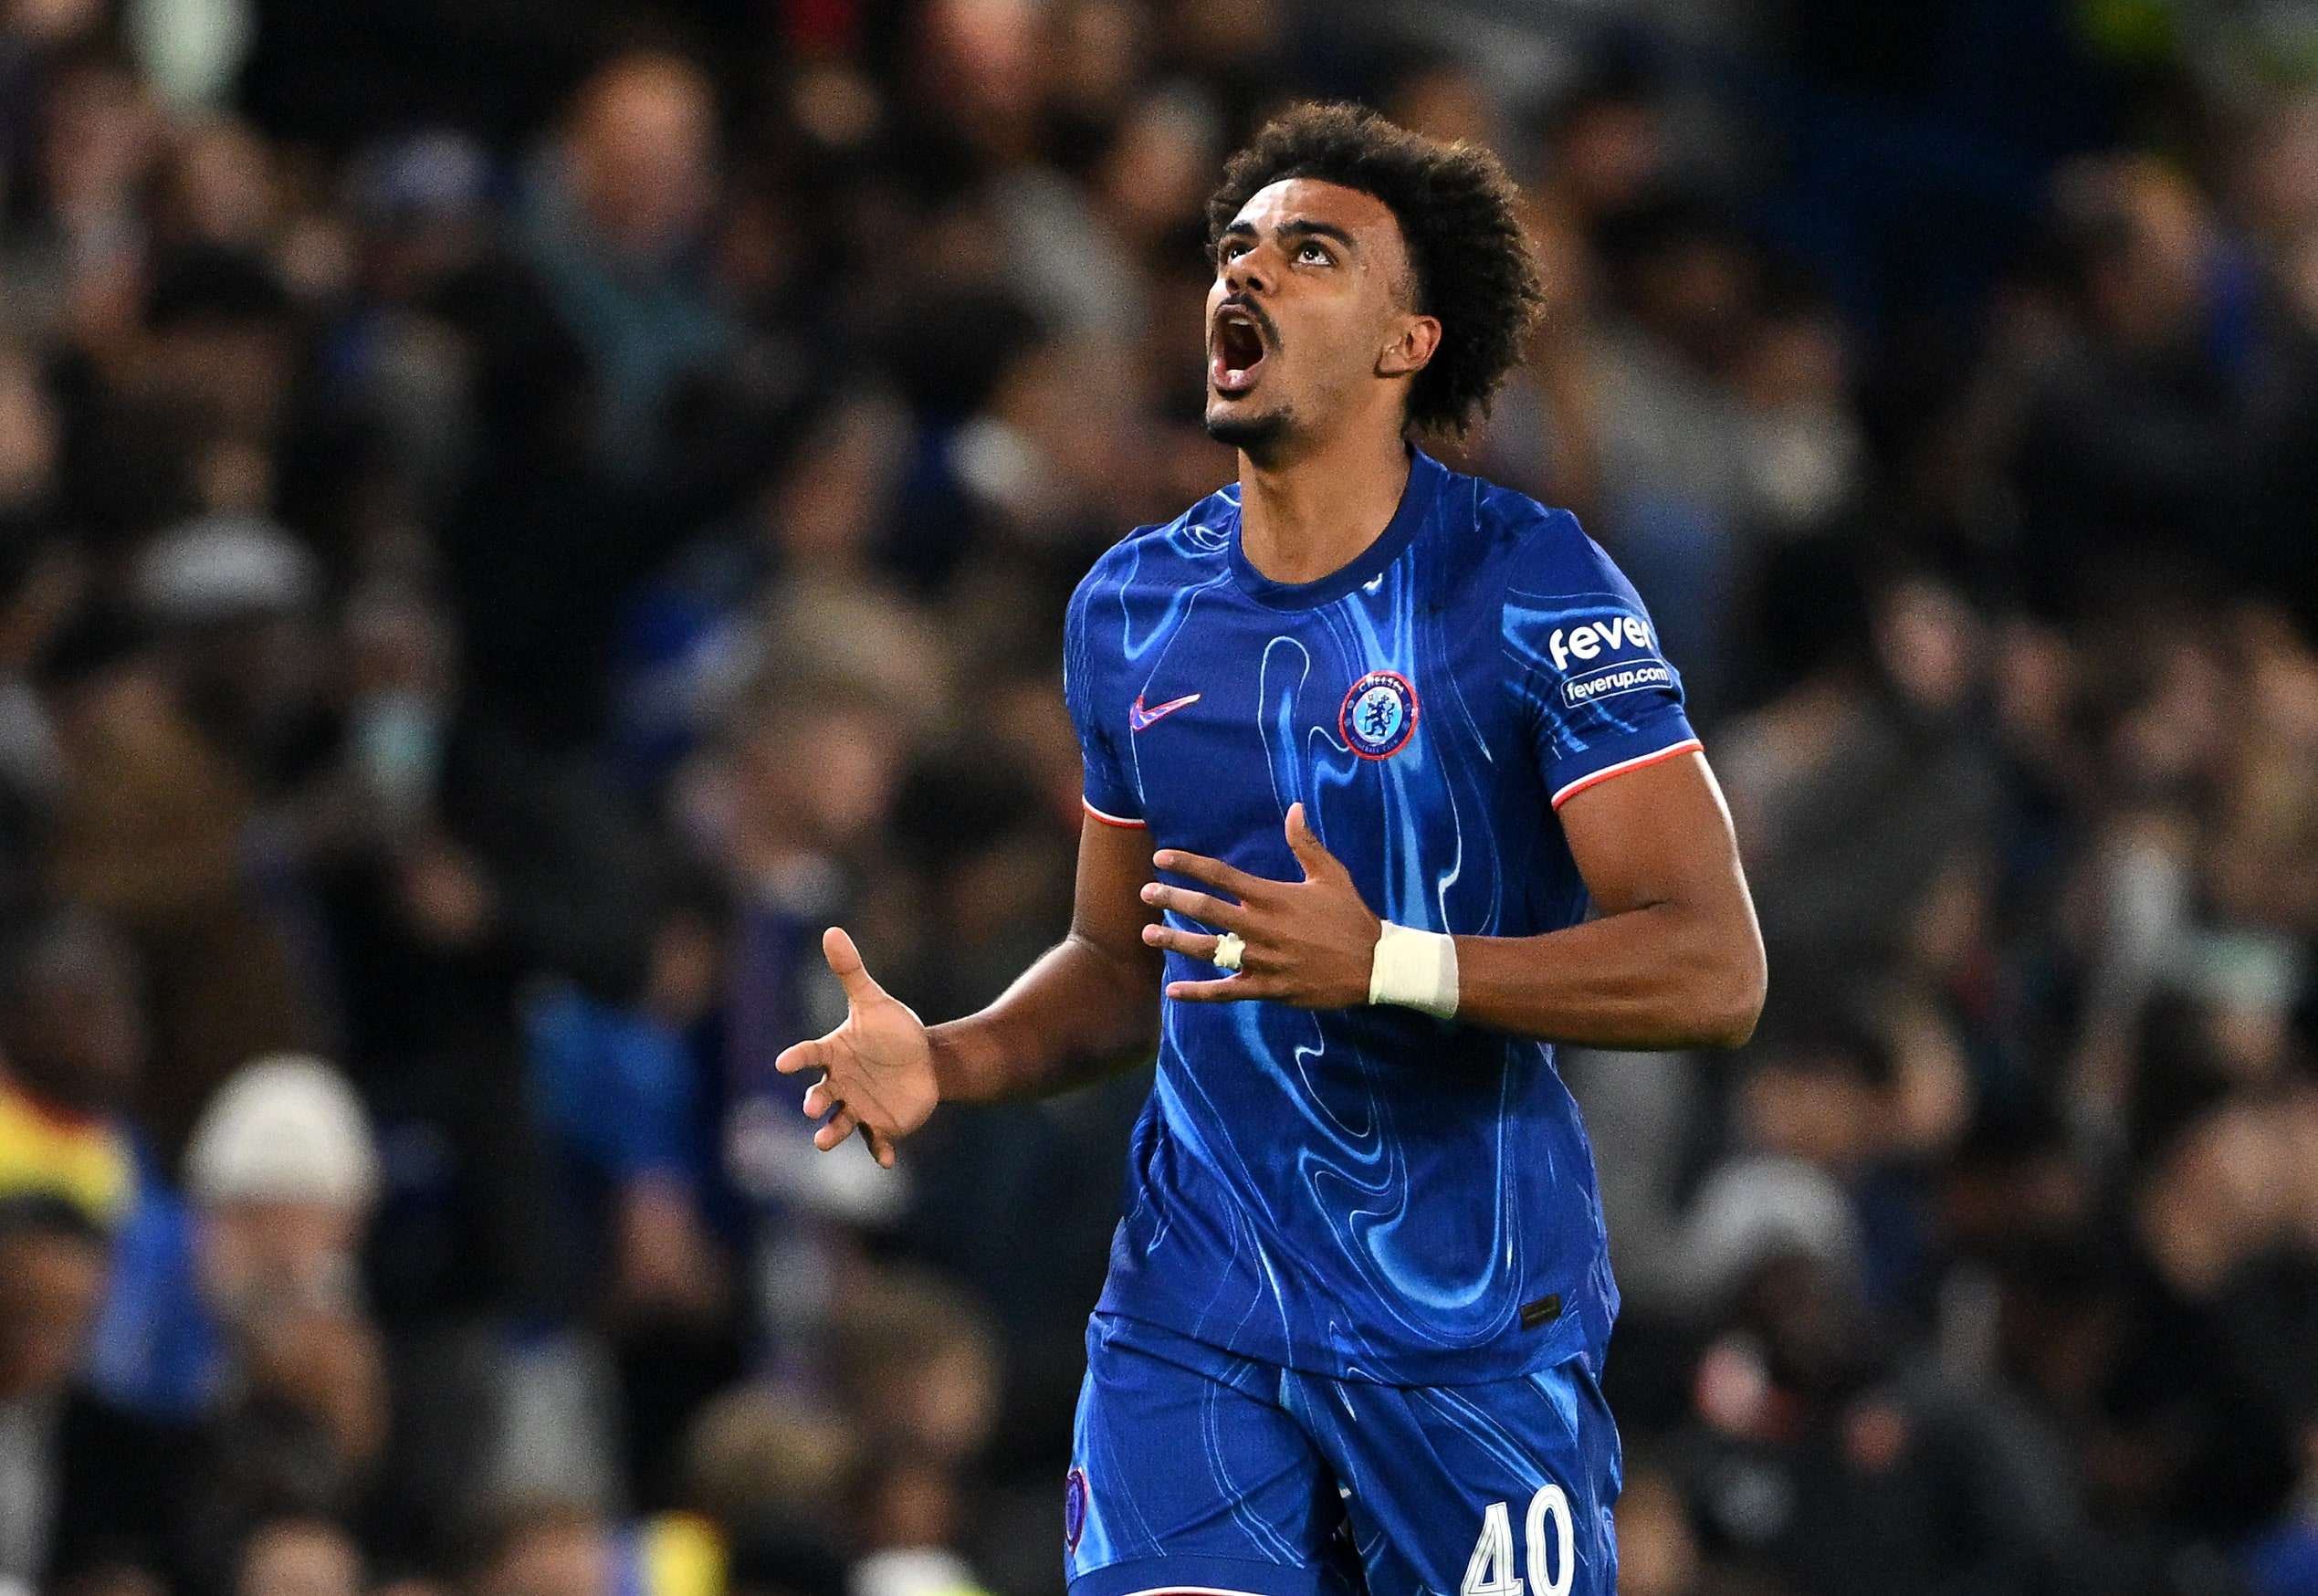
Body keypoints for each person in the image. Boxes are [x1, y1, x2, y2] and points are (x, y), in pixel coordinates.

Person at [777, 103, 1766, 1596]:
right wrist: (955, 1056)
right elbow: (1124, 961)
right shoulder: (1131, 608)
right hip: (1200, 1316)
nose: (1247, 275)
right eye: (1234, 248)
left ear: (1407, 342)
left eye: (1311, 253)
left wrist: (1387, 962)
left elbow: (1712, 965)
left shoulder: (1532, 583)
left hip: (1471, 1332)